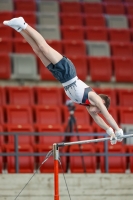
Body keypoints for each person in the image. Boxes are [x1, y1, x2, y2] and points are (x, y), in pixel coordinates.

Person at [3, 17, 123, 145]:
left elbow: (98, 120)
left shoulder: (88, 105)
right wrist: (118, 129)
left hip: (61, 77)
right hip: (68, 72)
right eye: (100, 110)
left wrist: (109, 131)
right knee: (44, 48)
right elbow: (107, 116)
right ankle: (24, 24)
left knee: (37, 51)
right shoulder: (95, 99)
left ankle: (19, 28)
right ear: (102, 103)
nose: (98, 112)